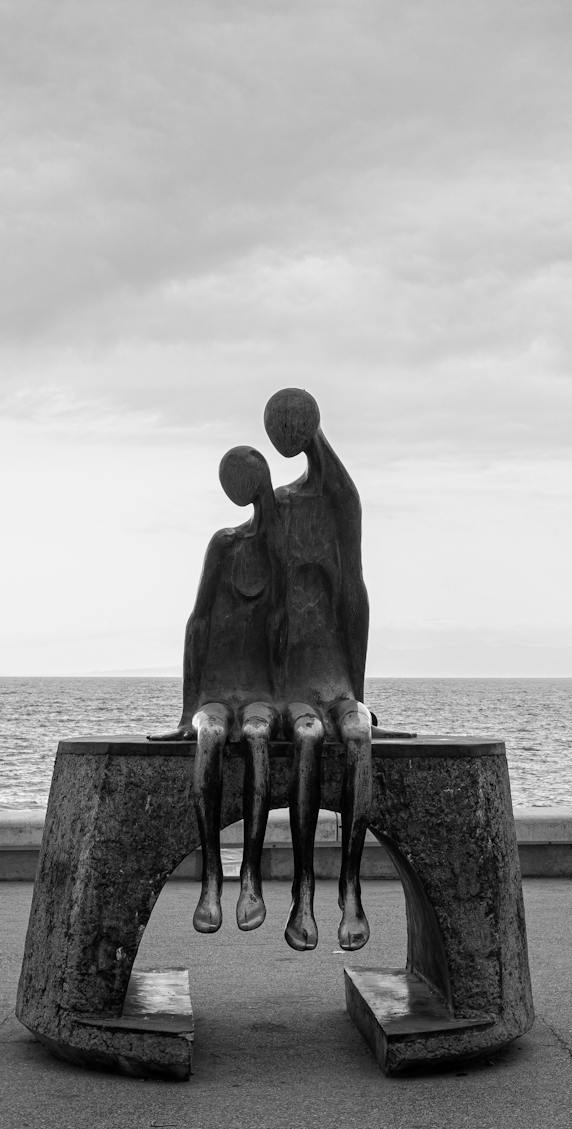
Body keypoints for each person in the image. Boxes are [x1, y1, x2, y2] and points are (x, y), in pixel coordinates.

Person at [262, 388, 383, 952]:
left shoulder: (338, 503)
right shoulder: (279, 509)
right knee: (308, 739)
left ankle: (351, 887)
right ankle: (303, 890)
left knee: (356, 737)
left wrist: (356, 694)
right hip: (291, 683)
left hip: (332, 676)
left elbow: (353, 597)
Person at [149, 446, 280, 934]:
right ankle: (210, 877)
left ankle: (250, 877)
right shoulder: (225, 545)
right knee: (208, 740)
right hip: (215, 693)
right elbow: (198, 623)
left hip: (263, 695)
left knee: (260, 741)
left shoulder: (286, 559)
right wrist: (187, 712)